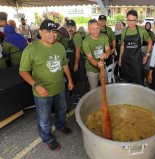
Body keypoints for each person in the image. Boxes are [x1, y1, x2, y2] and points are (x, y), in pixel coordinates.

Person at [19, 20, 74, 151]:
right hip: (42, 92)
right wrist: (36, 85)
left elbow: (64, 65)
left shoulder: (60, 47)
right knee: (44, 118)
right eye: (48, 31)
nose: (52, 35)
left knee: (62, 110)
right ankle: (47, 138)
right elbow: (23, 71)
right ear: (40, 32)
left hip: (60, 88)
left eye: (54, 32)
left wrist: (70, 81)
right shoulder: (31, 49)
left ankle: (60, 126)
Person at [118, 10, 152, 85]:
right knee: (128, 82)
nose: (131, 23)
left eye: (133, 20)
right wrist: (120, 58)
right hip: (126, 61)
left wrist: (147, 55)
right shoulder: (124, 31)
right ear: (127, 19)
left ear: (136, 20)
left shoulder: (141, 30)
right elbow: (123, 45)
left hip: (137, 61)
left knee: (140, 82)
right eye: (129, 20)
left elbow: (150, 41)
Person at [83, 19, 110, 90]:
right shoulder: (86, 41)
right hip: (91, 69)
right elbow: (90, 58)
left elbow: (108, 49)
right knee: (94, 89)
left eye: (97, 28)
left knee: (106, 87)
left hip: (103, 67)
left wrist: (106, 54)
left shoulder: (104, 37)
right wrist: (97, 64)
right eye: (93, 29)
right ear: (89, 29)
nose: (96, 31)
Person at [66, 20, 88, 103]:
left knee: (81, 81)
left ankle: (84, 100)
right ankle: (83, 98)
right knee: (78, 80)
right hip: (74, 60)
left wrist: (75, 64)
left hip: (78, 61)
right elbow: (72, 50)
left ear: (75, 28)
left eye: (72, 27)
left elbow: (78, 50)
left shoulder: (77, 36)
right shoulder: (72, 36)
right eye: (68, 27)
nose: (70, 29)